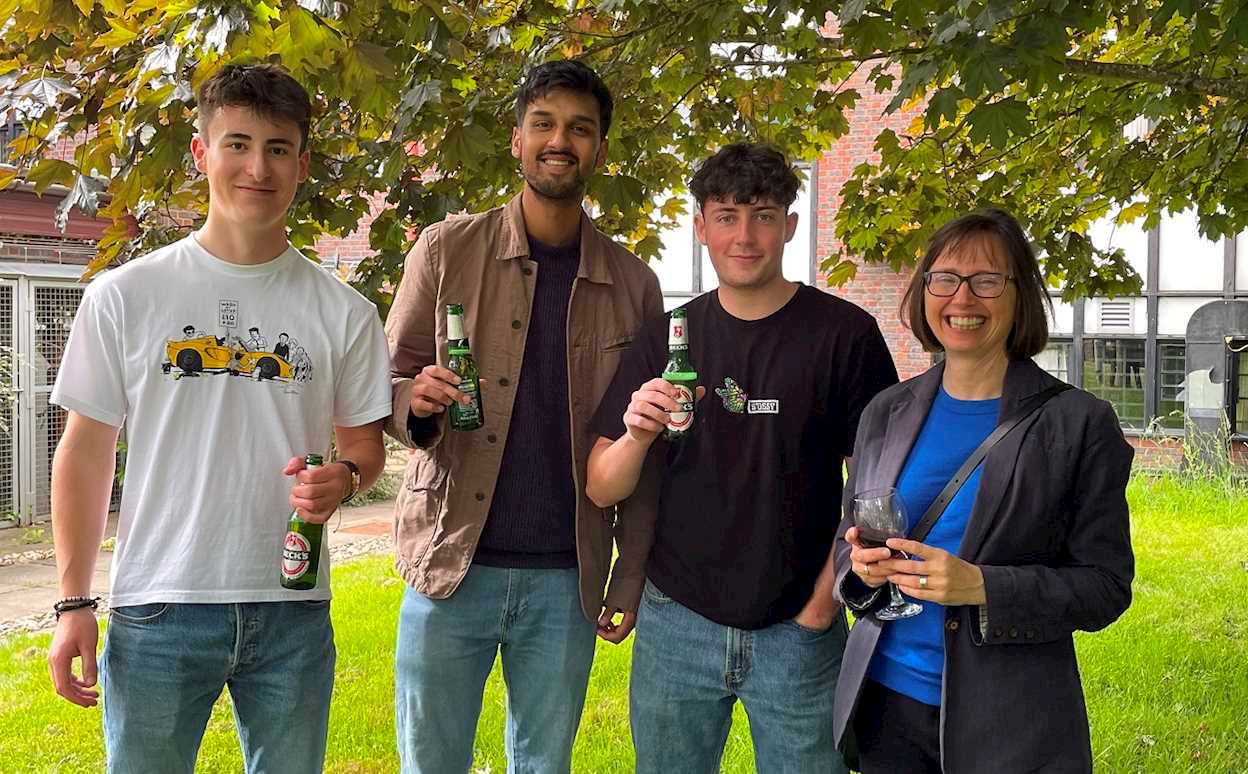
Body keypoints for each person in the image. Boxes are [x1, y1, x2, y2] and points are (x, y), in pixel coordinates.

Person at [44, 63, 392, 774]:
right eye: (238, 144)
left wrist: (347, 478)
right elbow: (84, 451)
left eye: (277, 148)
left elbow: (363, 446)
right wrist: (73, 601)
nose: (257, 168)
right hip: (158, 605)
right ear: (202, 154)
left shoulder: (346, 313)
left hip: (293, 607)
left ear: (301, 165)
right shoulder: (124, 296)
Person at [384, 59, 663, 773]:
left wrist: (629, 573)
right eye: (543, 124)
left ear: (600, 148)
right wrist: (413, 400)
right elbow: (386, 381)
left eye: (579, 128)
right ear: (516, 139)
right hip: (451, 560)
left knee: (545, 764)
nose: (559, 141)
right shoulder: (445, 249)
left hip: (567, 576)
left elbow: (646, 444)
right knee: (430, 762)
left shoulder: (634, 284)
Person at [586, 142, 898, 773]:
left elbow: (878, 488)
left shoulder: (845, 335)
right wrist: (638, 435)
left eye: (763, 215)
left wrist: (823, 603)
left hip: (798, 626)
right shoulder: (669, 336)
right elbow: (600, 485)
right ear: (701, 227)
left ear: (790, 225)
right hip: (678, 620)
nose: (745, 235)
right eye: (727, 215)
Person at [831, 208, 1135, 773]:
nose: (962, 298)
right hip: (886, 708)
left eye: (987, 280)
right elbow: (847, 542)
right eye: (945, 279)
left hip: (1008, 723)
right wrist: (863, 570)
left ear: (1020, 296)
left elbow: (1105, 587)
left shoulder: (1077, 423)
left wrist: (983, 587)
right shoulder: (886, 411)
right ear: (924, 291)